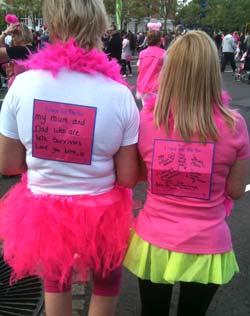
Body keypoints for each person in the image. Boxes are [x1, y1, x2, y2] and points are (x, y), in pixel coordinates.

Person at [0, 1, 139, 316]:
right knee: (106, 279)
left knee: (56, 279)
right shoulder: (118, 94)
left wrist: (48, 160)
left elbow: (7, 164)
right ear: (99, 26)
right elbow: (129, 176)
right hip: (103, 211)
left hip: (44, 210)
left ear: (52, 24)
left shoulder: (22, 86)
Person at [124, 31, 250, 316]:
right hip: (208, 243)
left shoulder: (147, 119)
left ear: (168, 71)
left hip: (154, 239)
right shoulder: (235, 125)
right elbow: (235, 191)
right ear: (212, 71)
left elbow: (134, 176)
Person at [0, 20, 36, 87]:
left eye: (14, 35)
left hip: (18, 91)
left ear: (23, 35)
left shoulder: (20, 50)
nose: (12, 37)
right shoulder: (33, 49)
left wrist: (5, 33)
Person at [136, 25, 165, 106]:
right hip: (158, 88)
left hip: (144, 87)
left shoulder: (142, 53)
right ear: (160, 41)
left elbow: (139, 69)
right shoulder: (164, 53)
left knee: (146, 110)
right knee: (158, 113)